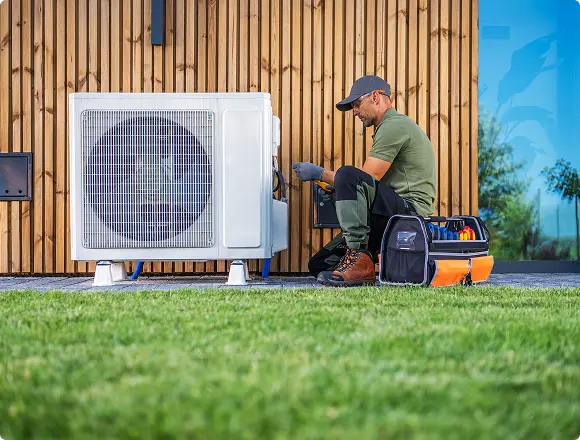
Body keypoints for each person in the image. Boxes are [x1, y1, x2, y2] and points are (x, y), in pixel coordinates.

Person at [292, 75, 436, 287]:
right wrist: (337, 189)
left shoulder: (394, 126)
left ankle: (359, 257)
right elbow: (368, 187)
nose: (355, 111)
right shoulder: (387, 127)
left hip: (409, 215)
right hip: (388, 214)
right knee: (320, 265)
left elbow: (366, 178)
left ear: (376, 97)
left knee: (348, 174)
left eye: (357, 104)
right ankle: (358, 261)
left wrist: (319, 173)